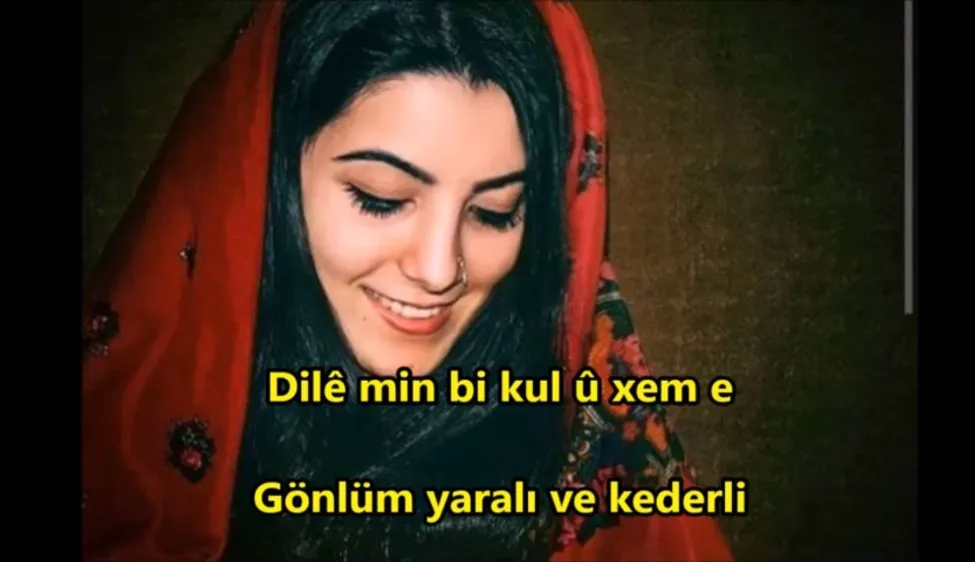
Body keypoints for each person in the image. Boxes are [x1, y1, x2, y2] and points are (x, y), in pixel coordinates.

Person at [81, 1, 734, 560]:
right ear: (264, 175)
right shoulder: (140, 409)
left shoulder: (575, 407)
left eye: (494, 212)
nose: (439, 271)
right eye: (381, 198)